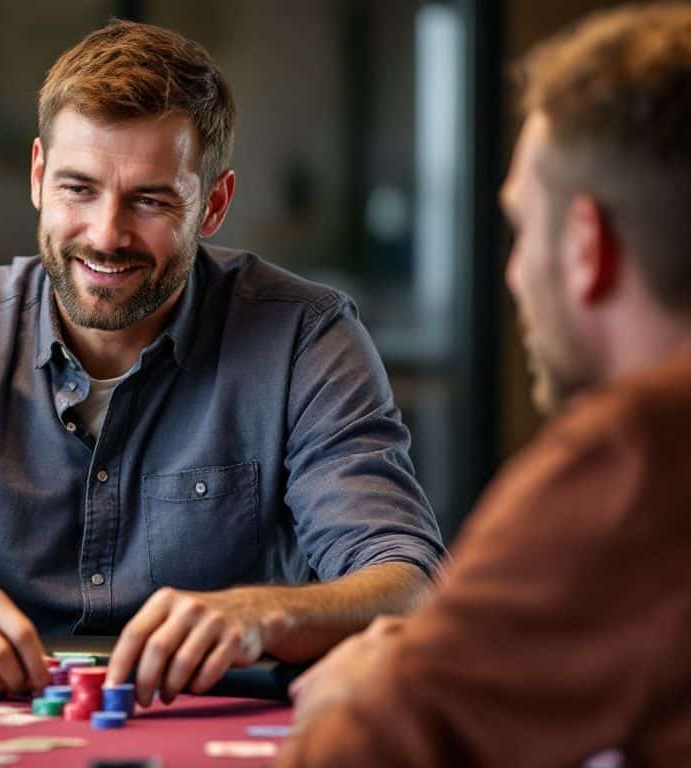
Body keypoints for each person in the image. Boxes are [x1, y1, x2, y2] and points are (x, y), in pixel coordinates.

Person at [0, 19, 446, 706]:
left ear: (213, 204)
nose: (105, 234)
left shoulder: (307, 338)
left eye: (150, 200)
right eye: (78, 189)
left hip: (212, 727)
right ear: (38, 176)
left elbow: (410, 584)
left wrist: (260, 613)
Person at [278, 4, 691, 765]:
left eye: (520, 230)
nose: (509, 273)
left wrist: (381, 686)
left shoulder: (632, 457)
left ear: (585, 247)